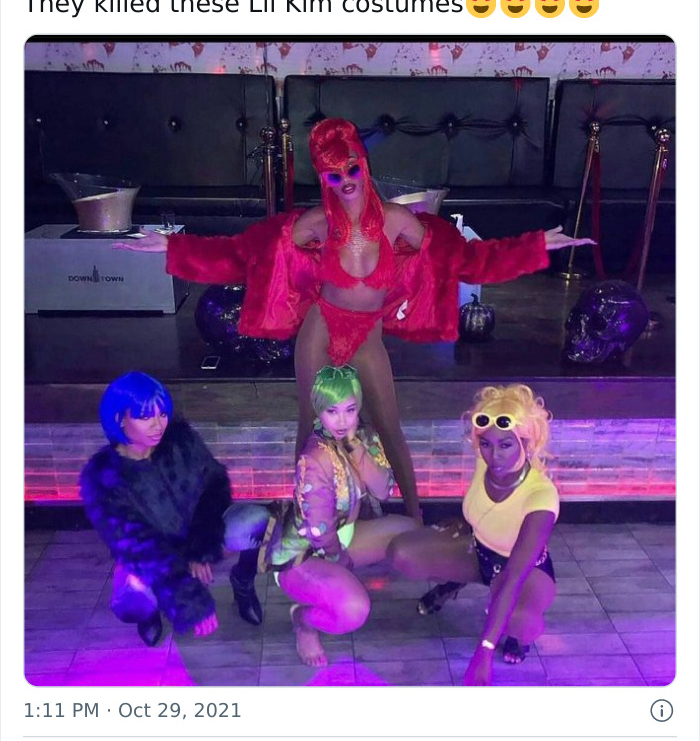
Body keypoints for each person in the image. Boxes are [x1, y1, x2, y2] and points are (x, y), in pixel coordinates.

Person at [115, 118, 591, 524]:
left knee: (389, 424)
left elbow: (465, 259)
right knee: (310, 425)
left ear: (364, 166)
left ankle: (416, 518)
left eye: (351, 169)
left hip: (367, 335)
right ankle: (305, 519)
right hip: (321, 329)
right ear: (323, 179)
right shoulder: (314, 226)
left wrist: (535, 246)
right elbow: (241, 256)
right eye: (332, 174)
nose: (344, 181)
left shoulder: (398, 221)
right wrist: (172, 246)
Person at [387, 384, 558, 686]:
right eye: (486, 443)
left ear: (527, 442)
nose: (494, 455)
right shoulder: (484, 460)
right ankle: (455, 582)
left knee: (522, 622)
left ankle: (517, 638)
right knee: (402, 553)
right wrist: (466, 522)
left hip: (523, 571)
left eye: (506, 445)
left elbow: (514, 576)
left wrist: (485, 651)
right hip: (479, 552)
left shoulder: (541, 496)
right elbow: (485, 506)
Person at [80, 372, 269, 646]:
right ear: (120, 419)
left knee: (256, 521)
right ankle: (150, 613)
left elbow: (214, 487)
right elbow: (139, 547)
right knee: (131, 595)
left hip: (195, 538)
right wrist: (190, 600)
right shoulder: (105, 478)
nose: (158, 424)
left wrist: (200, 549)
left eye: (162, 414)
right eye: (145, 417)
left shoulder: (180, 441)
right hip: (155, 555)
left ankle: (243, 582)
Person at [258, 365, 415, 666]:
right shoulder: (315, 457)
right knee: (354, 610)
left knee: (411, 533)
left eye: (350, 410)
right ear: (319, 410)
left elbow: (383, 490)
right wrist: (339, 560)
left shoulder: (361, 436)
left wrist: (355, 447)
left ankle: (336, 585)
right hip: (303, 553)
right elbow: (318, 528)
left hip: (344, 534)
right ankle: (304, 620)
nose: (342, 421)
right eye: (332, 411)